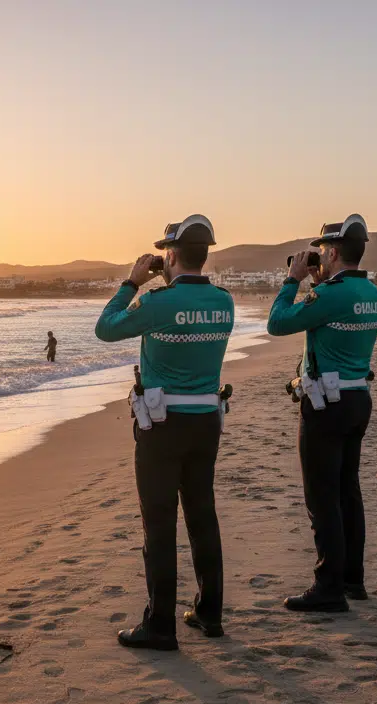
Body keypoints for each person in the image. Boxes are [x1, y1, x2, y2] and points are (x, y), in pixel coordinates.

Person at [95, 215, 234, 650]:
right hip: (206, 421)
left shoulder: (157, 303)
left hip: (162, 424)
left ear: (170, 256)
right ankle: (210, 613)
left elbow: (106, 328)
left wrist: (132, 282)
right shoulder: (225, 303)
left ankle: (160, 626)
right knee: (202, 515)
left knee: (159, 525)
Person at [266, 215, 377, 612]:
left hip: (325, 406)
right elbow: (338, 324)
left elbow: (278, 323)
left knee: (323, 498)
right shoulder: (372, 292)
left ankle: (328, 587)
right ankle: (353, 580)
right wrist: (319, 286)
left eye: (322, 252)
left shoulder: (329, 296)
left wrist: (292, 281)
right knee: (349, 492)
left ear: (332, 252)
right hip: (357, 398)